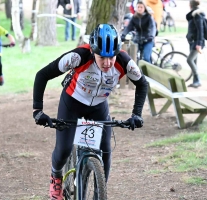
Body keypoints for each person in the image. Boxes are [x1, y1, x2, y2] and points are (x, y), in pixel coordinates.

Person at [32, 24, 147, 200]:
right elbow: (42, 75)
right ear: (93, 51)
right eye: (102, 58)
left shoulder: (124, 61)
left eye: (112, 57)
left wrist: (136, 114)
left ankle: (99, 194)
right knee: (64, 149)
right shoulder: (78, 57)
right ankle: (56, 177)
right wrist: (38, 110)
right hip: (72, 102)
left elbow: (142, 83)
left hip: (99, 106)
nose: (108, 63)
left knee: (106, 150)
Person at [185, 0, 205, 88]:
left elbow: (201, 30)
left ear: (190, 5)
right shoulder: (193, 14)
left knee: (189, 60)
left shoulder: (197, 14)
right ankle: (195, 81)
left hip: (197, 42)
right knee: (194, 61)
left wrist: (199, 43)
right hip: (192, 41)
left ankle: (198, 79)